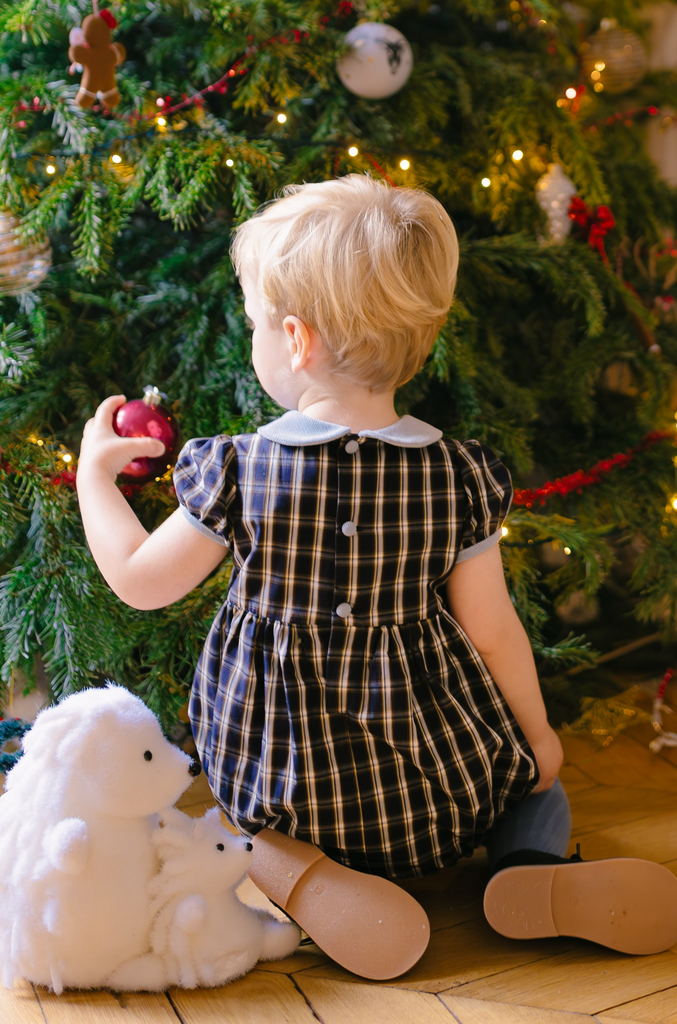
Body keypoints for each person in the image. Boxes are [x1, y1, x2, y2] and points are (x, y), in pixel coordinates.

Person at [77, 174, 677, 980]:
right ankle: (522, 871)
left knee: (236, 823)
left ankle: (309, 879)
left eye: (256, 323)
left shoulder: (239, 472)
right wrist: (534, 740)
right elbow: (492, 633)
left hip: (285, 778)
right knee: (530, 782)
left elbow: (140, 582)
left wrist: (95, 479)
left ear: (295, 340)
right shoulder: (458, 476)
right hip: (433, 789)